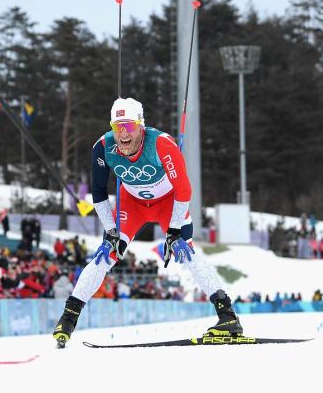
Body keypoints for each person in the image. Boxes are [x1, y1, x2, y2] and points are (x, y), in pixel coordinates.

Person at [52, 98, 243, 348]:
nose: (122, 134)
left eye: (129, 126)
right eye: (116, 126)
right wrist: (110, 231)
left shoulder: (161, 144)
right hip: (132, 205)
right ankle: (68, 318)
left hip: (168, 203)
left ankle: (227, 317)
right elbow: (98, 192)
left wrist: (174, 231)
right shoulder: (103, 147)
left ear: (141, 125)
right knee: (105, 254)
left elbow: (183, 190)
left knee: (186, 252)